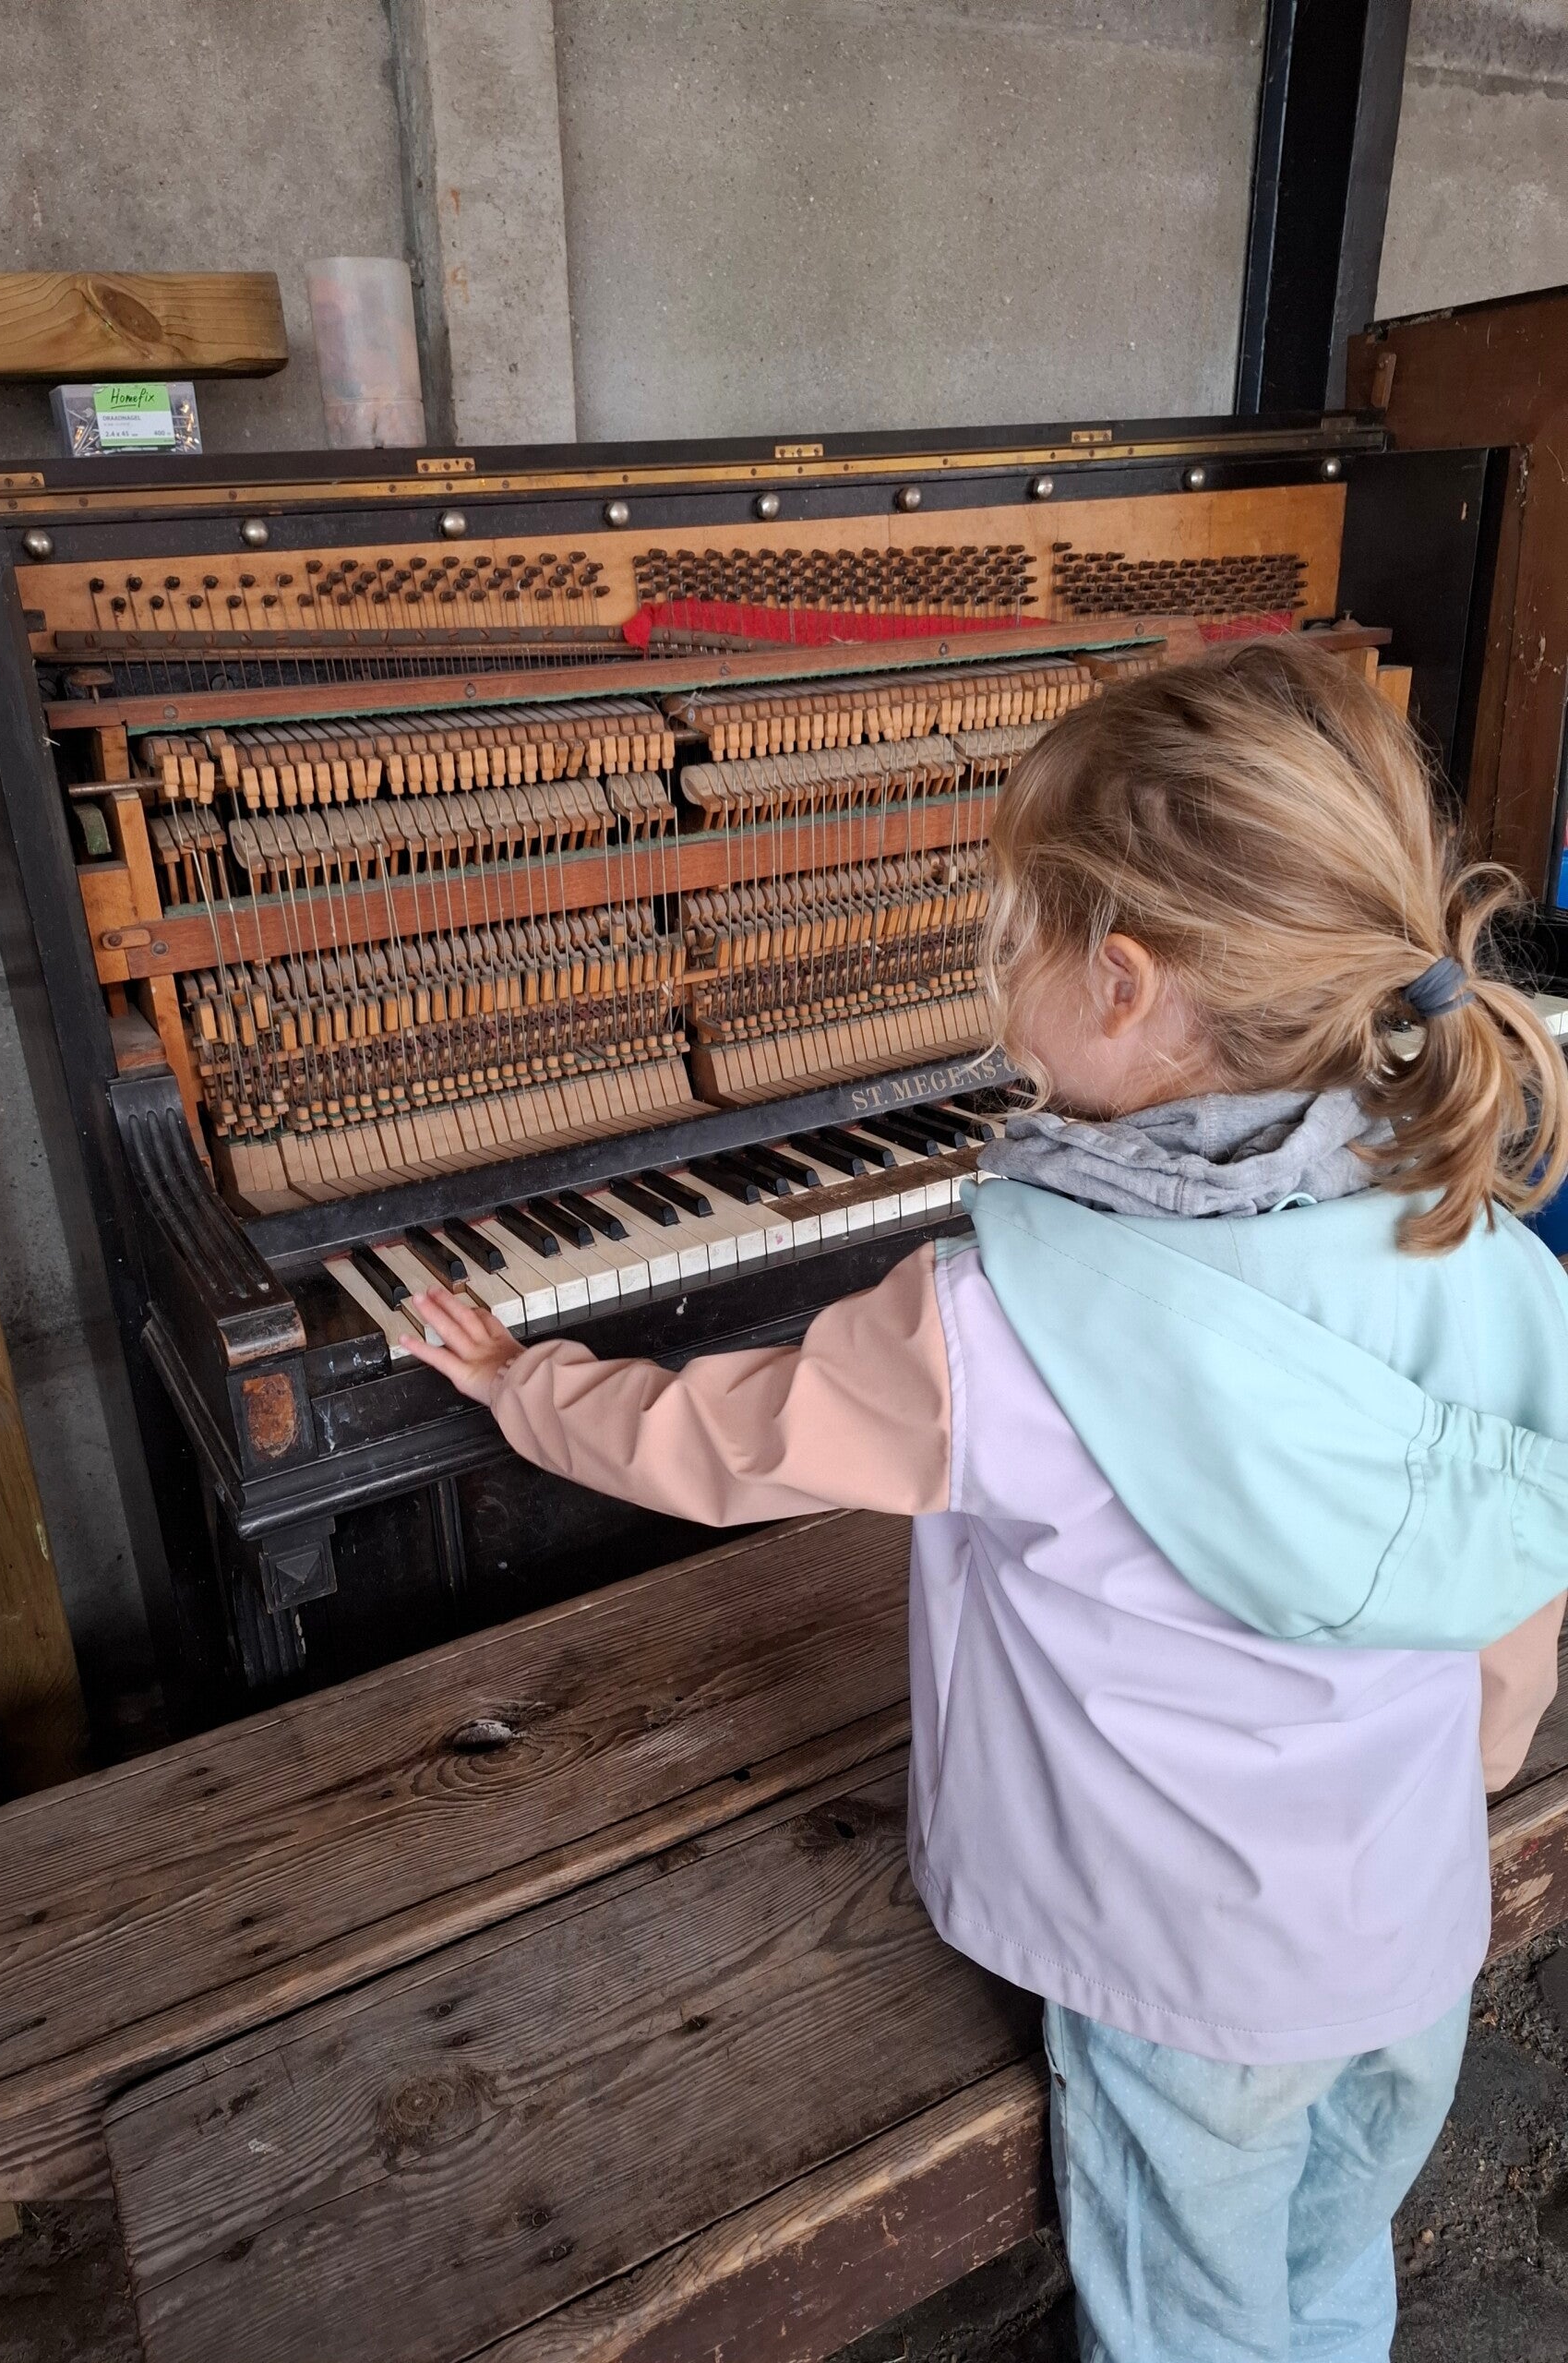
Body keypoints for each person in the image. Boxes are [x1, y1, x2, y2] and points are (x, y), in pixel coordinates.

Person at [402, 639, 1568, 2363]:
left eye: (1004, 936)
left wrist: (525, 1385)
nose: (987, 976)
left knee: (1187, 2320)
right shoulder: (1470, 1238)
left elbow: (716, 1446)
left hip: (1183, 1978)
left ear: (1121, 984)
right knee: (1333, 2252)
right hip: (1406, 1924)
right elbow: (1522, 1561)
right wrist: (1476, 1762)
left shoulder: (997, 1327)